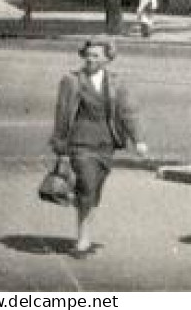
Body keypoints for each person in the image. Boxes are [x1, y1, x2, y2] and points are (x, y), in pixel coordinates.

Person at [50, 38, 148, 257]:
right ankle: (83, 239)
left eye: (96, 56)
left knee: (94, 189)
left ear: (107, 58)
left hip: (106, 143)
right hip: (80, 141)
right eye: (88, 55)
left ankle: (85, 229)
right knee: (86, 184)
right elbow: (62, 112)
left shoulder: (115, 82)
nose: (90, 59)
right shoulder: (71, 80)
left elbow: (128, 112)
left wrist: (138, 140)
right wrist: (59, 143)